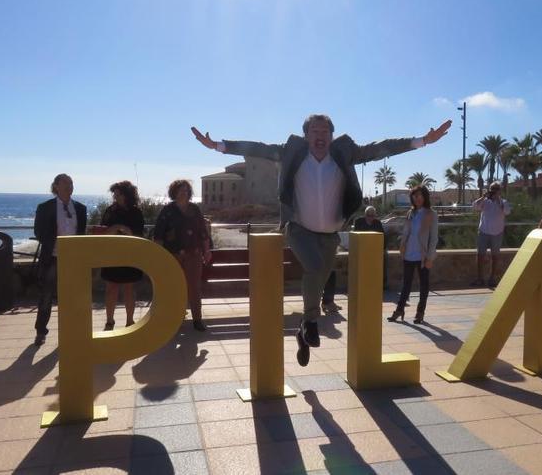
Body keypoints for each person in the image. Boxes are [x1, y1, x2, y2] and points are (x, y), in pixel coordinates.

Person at [192, 114, 451, 366]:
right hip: (299, 229)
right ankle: (311, 322)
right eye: (314, 132)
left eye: (325, 132)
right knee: (314, 268)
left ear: (332, 136)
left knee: (321, 276)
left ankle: (303, 334)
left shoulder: (343, 152)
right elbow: (257, 148)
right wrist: (217, 146)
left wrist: (423, 140)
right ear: (306, 135)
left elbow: (380, 149)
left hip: (330, 233)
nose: (320, 136)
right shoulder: (293, 151)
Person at [32, 174, 87, 346]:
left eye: (71, 183)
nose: (69, 186)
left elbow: (81, 233)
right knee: (46, 296)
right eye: (65, 183)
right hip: (52, 258)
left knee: (71, 297)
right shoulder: (45, 207)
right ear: (56, 186)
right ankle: (41, 331)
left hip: (73, 260)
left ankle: (69, 331)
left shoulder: (80, 208)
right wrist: (56, 242)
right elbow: (39, 232)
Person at [153, 179, 211, 331]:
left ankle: (197, 320)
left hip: (194, 254)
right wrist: (159, 257)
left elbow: (203, 232)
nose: (183, 193)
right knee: (175, 287)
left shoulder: (194, 209)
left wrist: (207, 250)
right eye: (180, 190)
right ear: (174, 192)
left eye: (186, 190)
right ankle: (176, 318)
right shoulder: (167, 210)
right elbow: (158, 235)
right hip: (173, 255)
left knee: (194, 287)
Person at [388, 186, 438, 324]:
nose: (417, 198)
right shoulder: (411, 213)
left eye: (420, 196)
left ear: (425, 197)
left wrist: (430, 257)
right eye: (415, 196)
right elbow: (406, 232)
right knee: (406, 285)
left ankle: (420, 312)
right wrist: (402, 246)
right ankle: (399, 310)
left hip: (422, 256)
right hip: (409, 253)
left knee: (424, 285)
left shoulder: (431, 214)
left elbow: (434, 238)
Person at [100, 180, 146, 331]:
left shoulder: (136, 212)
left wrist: (128, 231)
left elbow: (139, 234)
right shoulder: (110, 211)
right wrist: (115, 228)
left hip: (130, 255)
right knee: (111, 288)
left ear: (127, 195)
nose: (115, 196)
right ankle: (109, 321)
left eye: (118, 194)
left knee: (129, 289)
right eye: (114, 194)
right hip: (111, 254)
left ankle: (129, 321)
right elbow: (102, 231)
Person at [471, 182, 511, 288]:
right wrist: (483, 197)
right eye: (492, 188)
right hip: (483, 231)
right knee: (480, 256)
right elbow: (474, 206)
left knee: (495, 257)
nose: (494, 190)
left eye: (496, 188)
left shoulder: (503, 202)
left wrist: (498, 200)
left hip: (497, 233)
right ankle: (480, 278)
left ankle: (492, 278)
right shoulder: (485, 201)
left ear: (500, 190)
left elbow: (507, 212)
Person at [353, 205, 387, 288]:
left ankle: (382, 283)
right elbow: (356, 236)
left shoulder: (377, 223)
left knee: (385, 256)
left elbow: (383, 237)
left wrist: (382, 248)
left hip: (375, 249)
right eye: (368, 215)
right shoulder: (359, 222)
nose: (370, 218)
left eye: (372, 216)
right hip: (362, 249)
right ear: (365, 215)